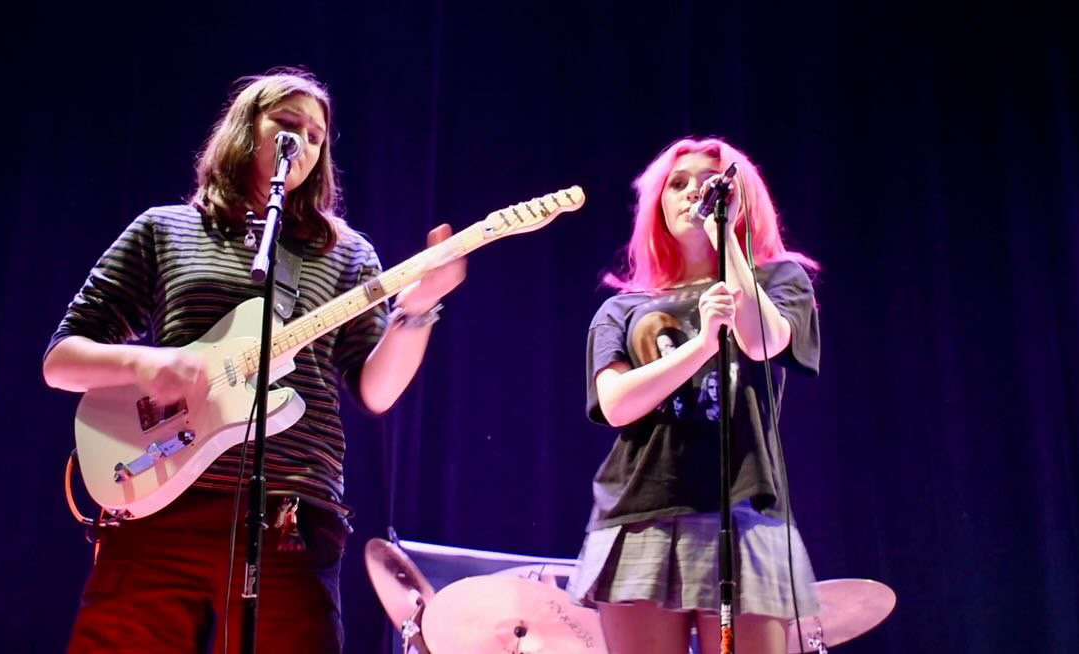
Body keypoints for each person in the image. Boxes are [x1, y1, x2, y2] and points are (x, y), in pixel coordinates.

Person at [42, 67, 464, 654]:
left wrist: (417, 309)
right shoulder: (165, 230)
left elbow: (377, 390)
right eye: (287, 125)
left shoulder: (347, 253)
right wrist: (150, 367)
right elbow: (62, 360)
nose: (303, 143)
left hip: (289, 514)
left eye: (317, 136)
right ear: (246, 129)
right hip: (161, 505)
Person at [567, 137, 821, 654]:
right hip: (641, 513)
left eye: (706, 184)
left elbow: (762, 341)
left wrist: (724, 234)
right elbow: (616, 404)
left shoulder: (779, 279)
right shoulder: (625, 308)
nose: (690, 194)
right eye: (676, 184)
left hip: (743, 509)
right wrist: (703, 345)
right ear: (657, 203)